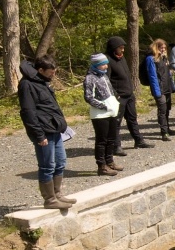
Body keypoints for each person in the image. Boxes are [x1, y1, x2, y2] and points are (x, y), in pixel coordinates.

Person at [19, 56, 75, 209]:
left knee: (61, 161)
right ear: (41, 70)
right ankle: (50, 200)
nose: (54, 75)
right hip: (43, 132)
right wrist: (39, 135)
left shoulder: (42, 82)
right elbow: (28, 113)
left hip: (54, 129)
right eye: (51, 72)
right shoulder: (27, 85)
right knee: (47, 165)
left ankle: (58, 194)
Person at [106, 36, 153, 155]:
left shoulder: (122, 59)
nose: (122, 50)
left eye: (123, 48)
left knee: (132, 119)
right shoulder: (108, 60)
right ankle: (116, 146)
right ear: (113, 48)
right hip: (119, 97)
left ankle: (138, 140)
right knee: (116, 122)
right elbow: (107, 80)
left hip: (129, 94)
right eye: (120, 48)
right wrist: (115, 95)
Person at [84, 54, 122, 176]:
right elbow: (88, 97)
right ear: (96, 65)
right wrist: (104, 106)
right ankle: (101, 166)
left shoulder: (104, 75)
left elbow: (110, 90)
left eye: (106, 63)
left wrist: (116, 99)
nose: (106, 66)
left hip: (111, 112)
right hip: (100, 115)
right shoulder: (90, 78)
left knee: (112, 138)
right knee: (102, 140)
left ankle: (109, 161)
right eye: (103, 64)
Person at [144, 39, 175, 141]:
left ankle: (167, 128)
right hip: (159, 88)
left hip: (167, 86)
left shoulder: (163, 58)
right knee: (162, 110)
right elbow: (152, 76)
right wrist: (157, 91)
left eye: (164, 48)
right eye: (161, 48)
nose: (163, 49)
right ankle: (164, 132)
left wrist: (172, 86)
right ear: (156, 47)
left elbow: (167, 74)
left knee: (167, 109)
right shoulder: (151, 59)